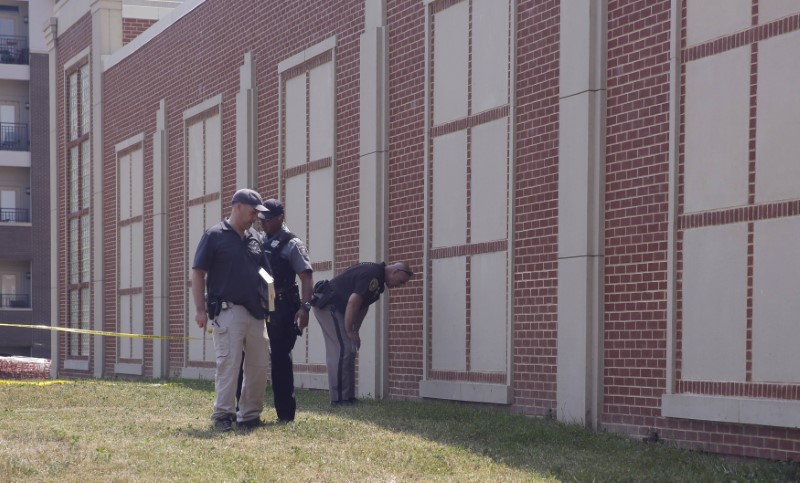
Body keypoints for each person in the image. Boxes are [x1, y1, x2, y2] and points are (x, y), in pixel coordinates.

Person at [191, 188, 272, 432]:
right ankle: (223, 415)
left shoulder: (256, 237)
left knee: (259, 365)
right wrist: (200, 309)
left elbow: (267, 275)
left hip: (257, 313)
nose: (256, 217)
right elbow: (198, 272)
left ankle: (249, 415)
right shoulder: (214, 235)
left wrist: (271, 305)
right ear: (238, 207)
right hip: (228, 311)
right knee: (229, 365)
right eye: (252, 212)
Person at [238, 199, 313, 422]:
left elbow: (306, 278)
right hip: (260, 304)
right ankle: (241, 410)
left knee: (280, 359)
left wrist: (305, 308)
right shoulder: (258, 240)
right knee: (247, 356)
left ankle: (285, 414)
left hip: (283, 305)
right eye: (260, 220)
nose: (262, 224)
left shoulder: (292, 244)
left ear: (281, 217)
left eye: (267, 220)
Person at [311, 261, 413, 405]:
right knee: (343, 348)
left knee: (349, 347)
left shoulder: (378, 280)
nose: (399, 285)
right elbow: (353, 302)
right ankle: (339, 399)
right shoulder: (373, 275)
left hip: (338, 308)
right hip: (328, 305)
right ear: (395, 272)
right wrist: (348, 331)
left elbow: (362, 307)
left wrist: (354, 331)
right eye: (401, 281)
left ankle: (348, 397)